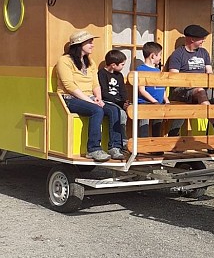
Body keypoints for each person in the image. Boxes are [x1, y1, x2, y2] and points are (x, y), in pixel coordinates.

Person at [55, 30, 124, 161]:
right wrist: (91, 101)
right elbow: (69, 86)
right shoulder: (64, 61)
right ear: (79, 44)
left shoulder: (90, 62)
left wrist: (98, 98)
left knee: (115, 110)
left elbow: (95, 83)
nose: (92, 45)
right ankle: (93, 149)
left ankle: (115, 147)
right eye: (89, 42)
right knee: (96, 110)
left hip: (89, 98)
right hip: (69, 98)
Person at [168, 24, 214, 136]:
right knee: (200, 91)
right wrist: (194, 83)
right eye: (201, 38)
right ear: (192, 39)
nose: (203, 41)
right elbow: (174, 78)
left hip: (203, 90)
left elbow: (209, 72)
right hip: (181, 91)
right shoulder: (178, 54)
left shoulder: (204, 53)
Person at [136, 42, 170, 137]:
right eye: (159, 55)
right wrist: (154, 101)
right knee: (144, 124)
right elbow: (142, 90)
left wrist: (166, 100)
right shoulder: (141, 69)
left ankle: (156, 145)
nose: (160, 57)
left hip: (158, 103)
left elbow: (161, 88)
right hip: (145, 103)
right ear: (152, 56)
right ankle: (143, 145)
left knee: (157, 124)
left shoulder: (158, 71)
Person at [98, 49, 129, 149]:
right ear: (113, 65)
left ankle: (127, 140)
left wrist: (125, 101)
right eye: (122, 64)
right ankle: (122, 141)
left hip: (119, 102)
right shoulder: (102, 74)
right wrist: (119, 103)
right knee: (122, 114)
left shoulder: (119, 75)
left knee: (131, 111)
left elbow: (123, 91)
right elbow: (104, 92)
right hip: (108, 101)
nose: (123, 67)